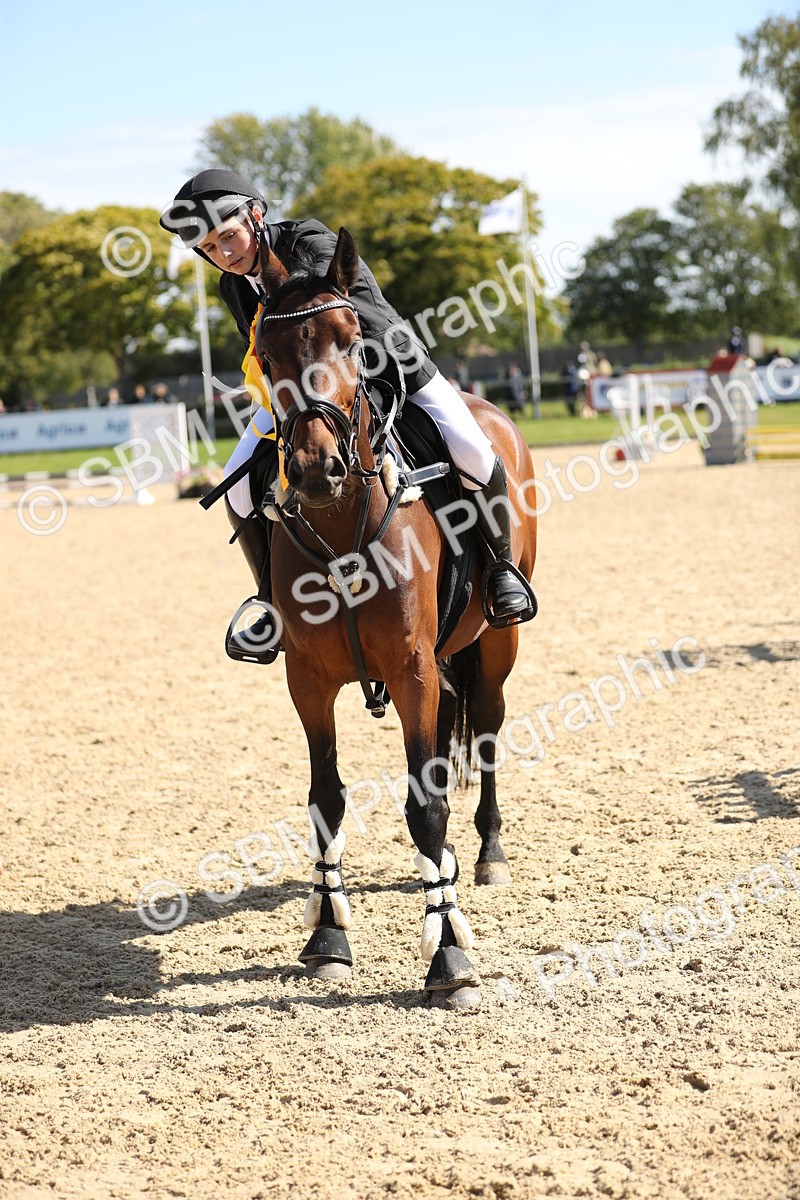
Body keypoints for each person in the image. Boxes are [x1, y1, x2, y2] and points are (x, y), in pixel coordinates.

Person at [159, 170, 535, 663]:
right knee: (239, 485)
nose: (224, 255)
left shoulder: (309, 242)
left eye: (228, 236)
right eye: (209, 248)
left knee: (474, 451)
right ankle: (270, 602)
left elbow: (322, 307)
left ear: (255, 215)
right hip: (301, 397)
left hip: (386, 365)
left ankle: (503, 569)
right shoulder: (234, 286)